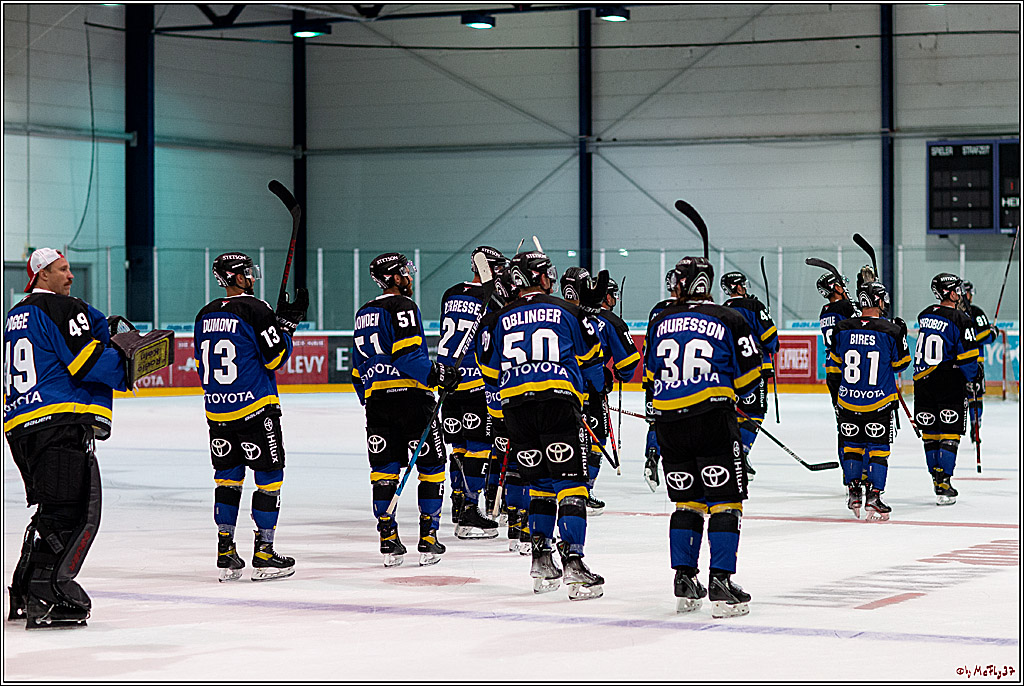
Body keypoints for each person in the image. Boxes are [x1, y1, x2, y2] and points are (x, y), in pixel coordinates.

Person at [5, 248, 127, 628]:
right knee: (71, 512)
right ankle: (49, 594)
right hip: (56, 422)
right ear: (42, 275)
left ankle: (25, 589)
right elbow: (87, 361)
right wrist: (126, 360)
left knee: (52, 509)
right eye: (62, 269)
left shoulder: (15, 314)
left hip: (21, 426)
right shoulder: (61, 307)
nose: (71, 276)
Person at [478, 250, 605, 600]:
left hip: (516, 409)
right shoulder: (567, 310)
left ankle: (542, 561)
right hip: (557, 404)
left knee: (540, 486)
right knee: (571, 484)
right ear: (538, 276)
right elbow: (592, 361)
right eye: (547, 272)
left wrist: (502, 412)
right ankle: (574, 564)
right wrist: (596, 388)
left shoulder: (498, 318)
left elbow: (489, 372)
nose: (551, 277)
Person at [644, 256, 762, 617]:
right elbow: (750, 378)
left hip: (668, 423)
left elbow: (651, 375)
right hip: (712, 419)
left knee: (687, 502)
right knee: (725, 501)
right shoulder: (730, 318)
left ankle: (684, 579)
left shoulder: (660, 320)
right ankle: (721, 583)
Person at [194, 252, 307, 582]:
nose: (253, 277)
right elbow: (275, 358)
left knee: (227, 480)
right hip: (256, 409)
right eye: (247, 273)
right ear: (236, 277)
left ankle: (225, 551)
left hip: (217, 411)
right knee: (269, 477)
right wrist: (286, 327)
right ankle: (264, 552)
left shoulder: (205, 314)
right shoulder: (257, 309)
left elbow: (200, 364)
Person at [352, 253, 461, 567]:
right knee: (432, 466)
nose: (409, 277)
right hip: (412, 401)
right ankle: (428, 536)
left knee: (383, 471)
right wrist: (437, 375)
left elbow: (357, 371)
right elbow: (408, 357)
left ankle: (388, 538)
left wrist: (370, 399)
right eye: (405, 272)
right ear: (395, 277)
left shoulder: (363, 313)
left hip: (377, 402)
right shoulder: (403, 306)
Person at [437, 246, 507, 539]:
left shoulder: (451, 293)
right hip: (476, 381)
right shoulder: (491, 299)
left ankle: (458, 503)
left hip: (448, 380)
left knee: (459, 446)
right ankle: (469, 510)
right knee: (479, 446)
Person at [827, 281, 910, 520]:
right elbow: (901, 364)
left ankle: (854, 493)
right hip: (879, 402)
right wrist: (901, 334)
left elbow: (835, 362)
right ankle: (874, 496)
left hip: (848, 401)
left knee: (852, 447)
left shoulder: (842, 328)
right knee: (878, 450)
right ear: (879, 301)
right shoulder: (890, 330)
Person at [559, 269, 639, 514]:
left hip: (554, 388)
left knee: (556, 440)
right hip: (590, 391)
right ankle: (583, 491)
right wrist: (613, 377)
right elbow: (629, 362)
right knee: (595, 440)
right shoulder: (608, 321)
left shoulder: (554, 312)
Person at [913, 273, 980, 505]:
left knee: (930, 432)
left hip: (922, 380)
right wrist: (974, 375)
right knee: (950, 431)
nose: (960, 294)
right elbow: (967, 357)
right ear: (950, 293)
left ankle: (936, 478)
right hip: (948, 379)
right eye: (957, 290)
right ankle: (944, 482)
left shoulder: (925, 315)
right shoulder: (961, 319)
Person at [720, 271, 779, 476]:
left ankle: (731, 452)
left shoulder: (721, 310)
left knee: (736, 412)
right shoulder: (754, 306)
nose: (745, 288)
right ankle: (741, 453)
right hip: (754, 370)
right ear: (738, 287)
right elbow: (770, 339)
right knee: (755, 412)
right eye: (743, 285)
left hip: (729, 372)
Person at [816, 272, 859, 477]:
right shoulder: (845, 307)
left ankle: (847, 470)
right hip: (850, 372)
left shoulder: (825, 311)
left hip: (832, 372)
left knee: (842, 422)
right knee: (858, 420)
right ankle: (860, 467)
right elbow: (868, 323)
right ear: (836, 287)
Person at [641, 279, 677, 491]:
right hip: (683, 379)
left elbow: (648, 345)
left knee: (655, 423)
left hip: (655, 378)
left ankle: (652, 457)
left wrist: (647, 379)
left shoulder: (657, 310)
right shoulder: (690, 310)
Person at [961, 281, 994, 443]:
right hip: (974, 363)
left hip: (956, 364)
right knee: (976, 397)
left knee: (957, 398)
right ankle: (975, 425)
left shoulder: (952, 313)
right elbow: (984, 336)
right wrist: (992, 332)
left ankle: (952, 431)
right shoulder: (976, 312)